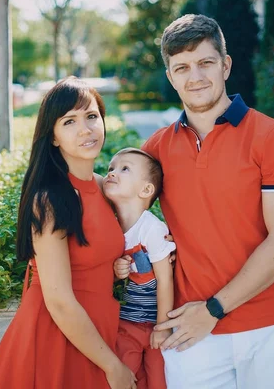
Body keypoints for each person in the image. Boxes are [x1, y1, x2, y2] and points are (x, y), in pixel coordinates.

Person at [118, 14, 274, 389]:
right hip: (190, 331)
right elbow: (115, 201)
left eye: (206, 62)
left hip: (270, 325)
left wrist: (213, 310)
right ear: (171, 77)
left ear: (226, 65)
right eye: (182, 68)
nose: (196, 77)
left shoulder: (270, 135)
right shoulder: (157, 148)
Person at [0, 77, 137, 389]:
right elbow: (59, 301)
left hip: (97, 332)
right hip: (58, 336)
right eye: (69, 121)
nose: (85, 129)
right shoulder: (50, 198)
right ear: (52, 136)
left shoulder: (103, 186)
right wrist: (112, 366)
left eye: (91, 116)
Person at [103, 148, 176, 389]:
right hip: (126, 326)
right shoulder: (109, 227)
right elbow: (112, 284)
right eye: (111, 168)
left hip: (155, 324)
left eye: (124, 169)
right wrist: (116, 269)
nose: (113, 173)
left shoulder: (152, 230)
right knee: (126, 379)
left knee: (158, 380)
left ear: (145, 190)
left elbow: (165, 280)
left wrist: (162, 328)